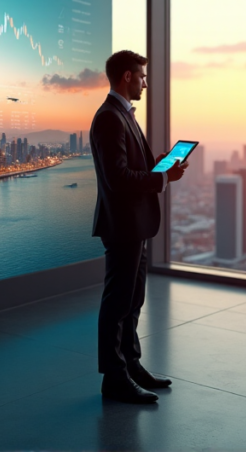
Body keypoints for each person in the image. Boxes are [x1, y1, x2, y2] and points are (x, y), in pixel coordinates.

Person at [89, 49, 187, 404]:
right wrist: (160, 180)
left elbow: (130, 167)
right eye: (142, 77)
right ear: (127, 77)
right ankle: (114, 378)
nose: (146, 83)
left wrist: (157, 166)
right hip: (123, 225)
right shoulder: (109, 118)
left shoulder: (122, 115)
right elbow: (118, 179)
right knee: (117, 303)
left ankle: (131, 365)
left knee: (133, 300)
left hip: (136, 224)